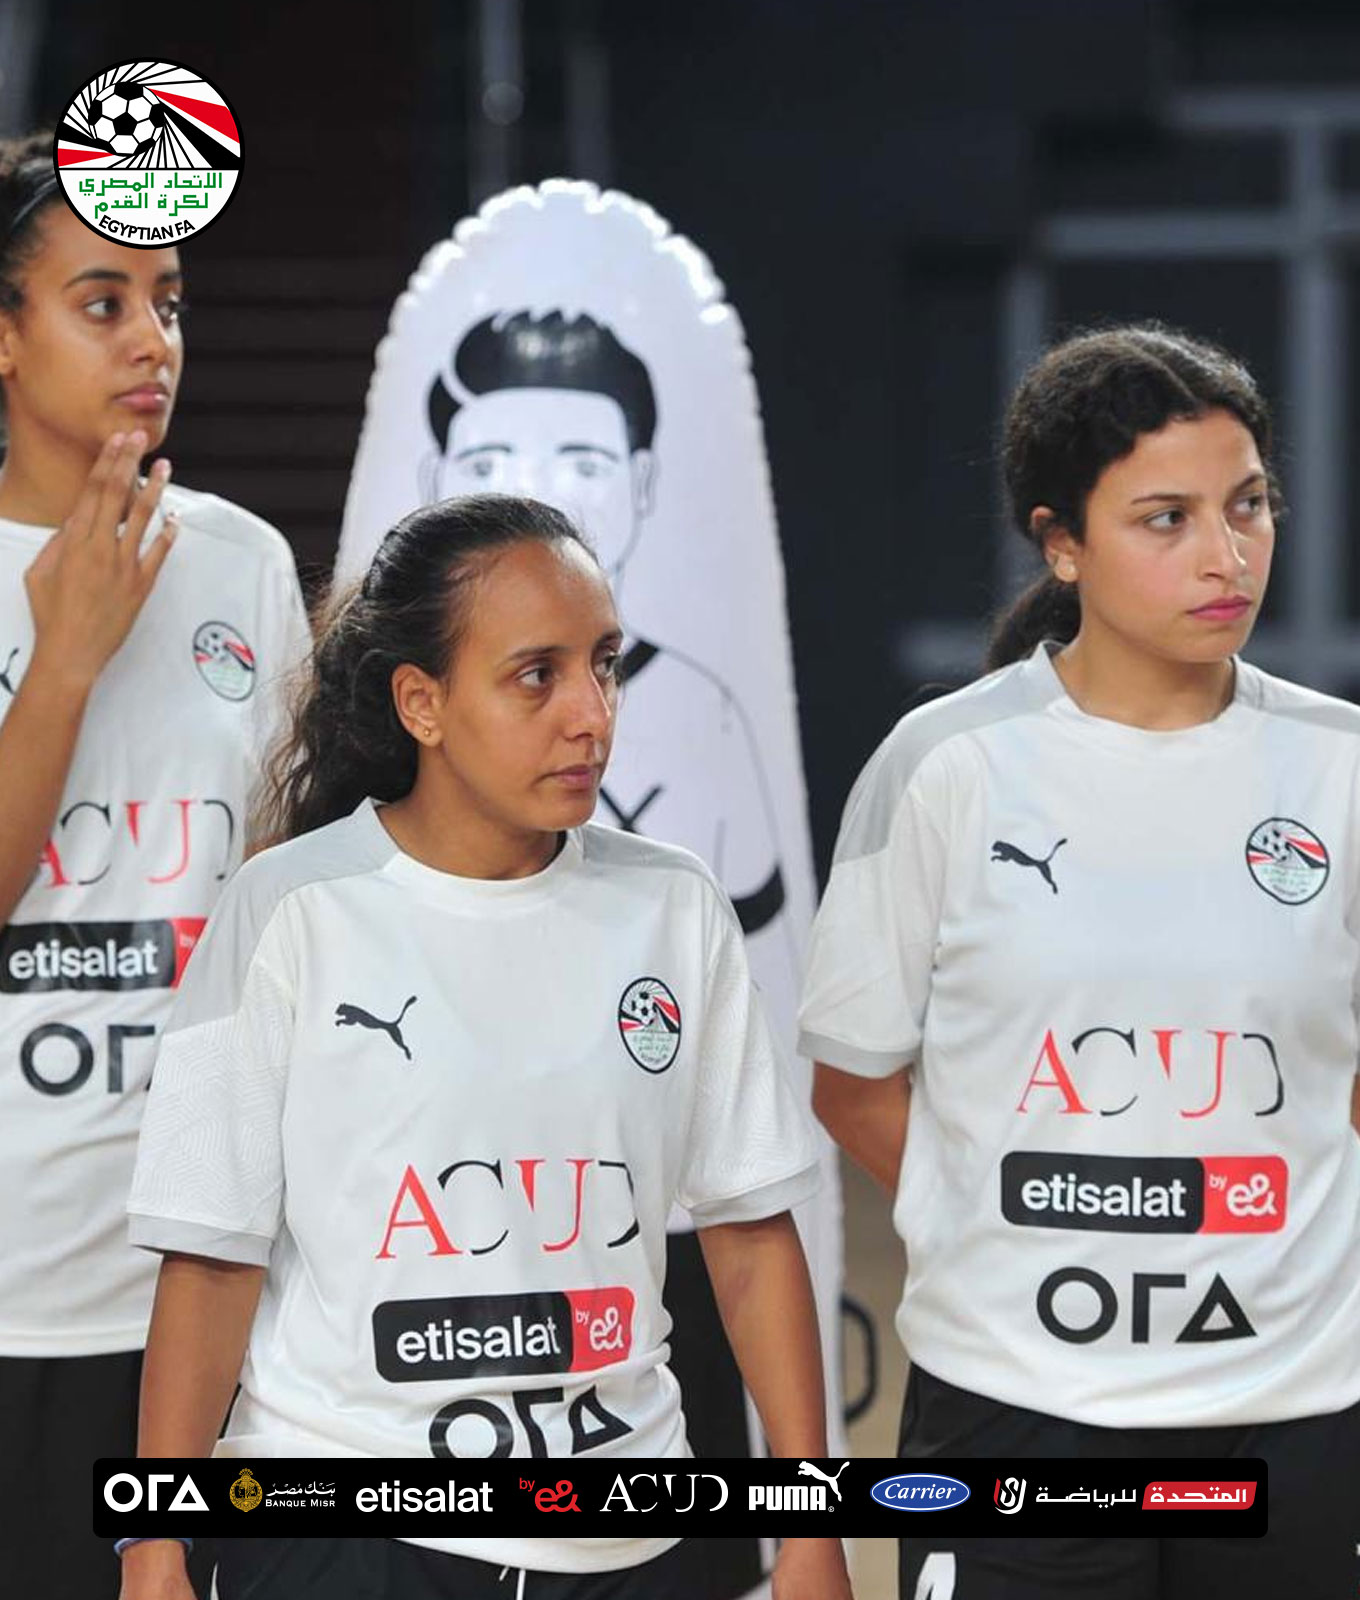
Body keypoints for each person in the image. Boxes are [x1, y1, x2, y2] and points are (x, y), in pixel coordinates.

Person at [119, 493, 851, 1600]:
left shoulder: (676, 905)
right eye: (536, 675)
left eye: (604, 665)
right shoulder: (285, 909)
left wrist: (811, 1529)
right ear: (421, 701)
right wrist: (156, 1545)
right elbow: (213, 1259)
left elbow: (748, 1237)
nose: (591, 714)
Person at [799, 324, 1360, 1600]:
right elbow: (853, 1082)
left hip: (1295, 1407)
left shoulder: (1340, 766)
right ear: (1060, 543)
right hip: (1012, 1405)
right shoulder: (942, 766)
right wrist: (992, 1225)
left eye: (1248, 505)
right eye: (1166, 518)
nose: (1226, 555)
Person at [0, 134, 310, 1600]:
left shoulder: (243, 564)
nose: (151, 341)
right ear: (5, 335)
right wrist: (62, 660)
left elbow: (284, 918)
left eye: (169, 303)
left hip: (196, 1286)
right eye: (101, 302)